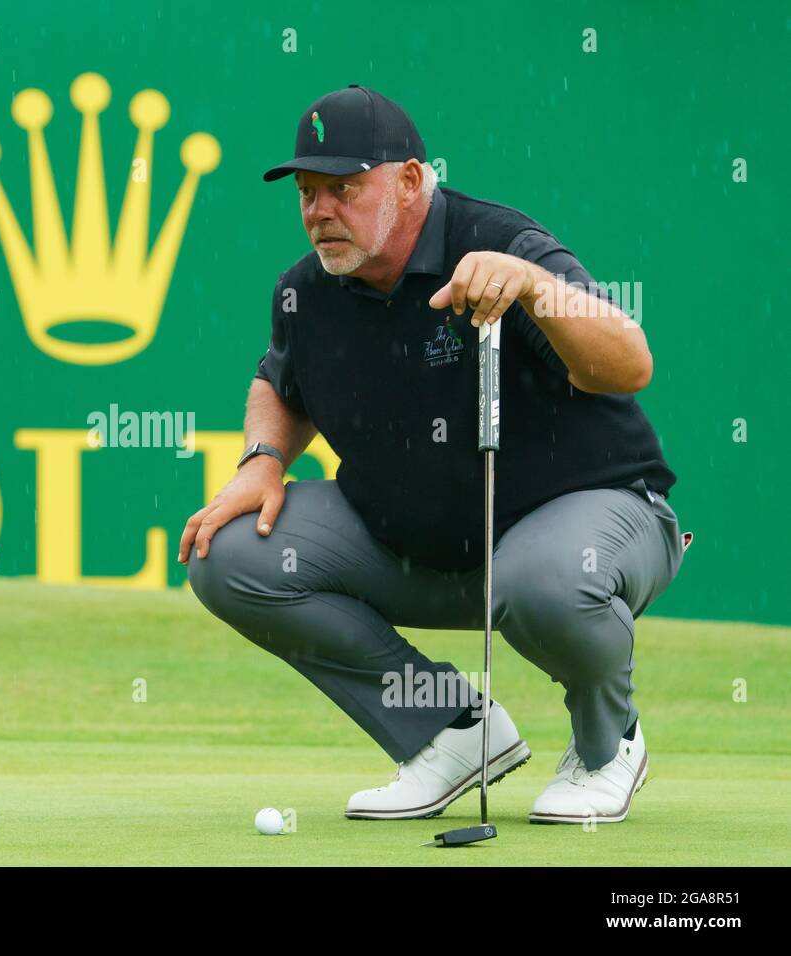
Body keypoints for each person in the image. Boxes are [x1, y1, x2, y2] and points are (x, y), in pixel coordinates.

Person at [180, 84, 688, 824]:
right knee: (227, 552)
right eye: (308, 192)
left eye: (345, 188)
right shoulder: (308, 288)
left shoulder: (503, 242)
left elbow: (627, 363)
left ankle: (608, 746)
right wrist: (261, 460)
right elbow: (278, 382)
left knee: (545, 576)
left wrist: (537, 290)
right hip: (428, 555)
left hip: (595, 529)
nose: (321, 211)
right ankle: (450, 730)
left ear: (412, 180)